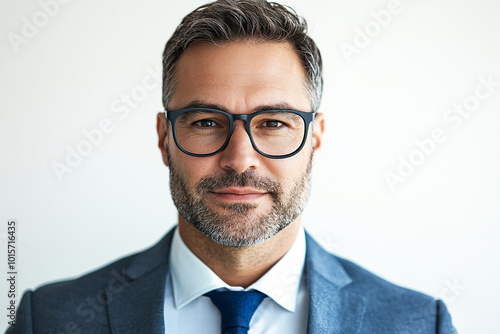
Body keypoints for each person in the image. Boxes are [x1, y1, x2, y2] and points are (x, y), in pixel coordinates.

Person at [8, 0, 457, 333]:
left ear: (315, 138)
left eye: (273, 123)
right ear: (165, 138)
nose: (240, 158)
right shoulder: (47, 319)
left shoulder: (417, 323)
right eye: (206, 121)